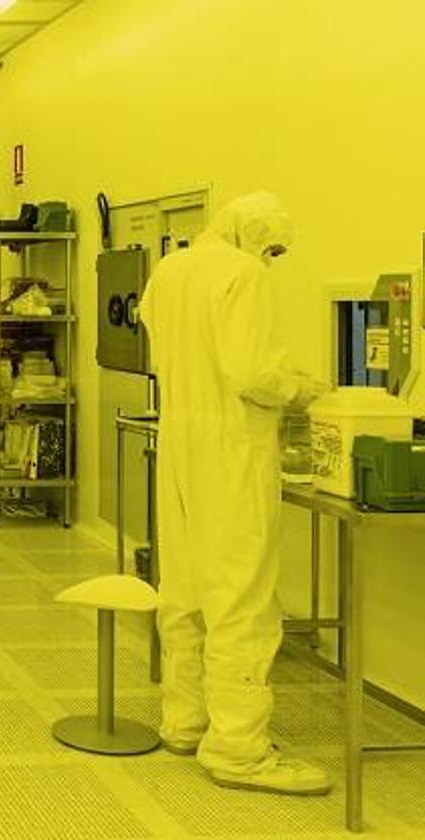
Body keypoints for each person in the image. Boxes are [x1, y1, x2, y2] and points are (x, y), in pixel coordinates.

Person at [139, 191, 332, 795]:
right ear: (254, 232)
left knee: (186, 590)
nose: (271, 259)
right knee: (241, 599)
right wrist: (302, 389)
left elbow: (160, 337)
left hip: (179, 444)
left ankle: (186, 719)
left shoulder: (170, 269)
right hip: (231, 451)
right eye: (273, 247)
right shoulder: (242, 273)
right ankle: (240, 749)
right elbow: (252, 372)